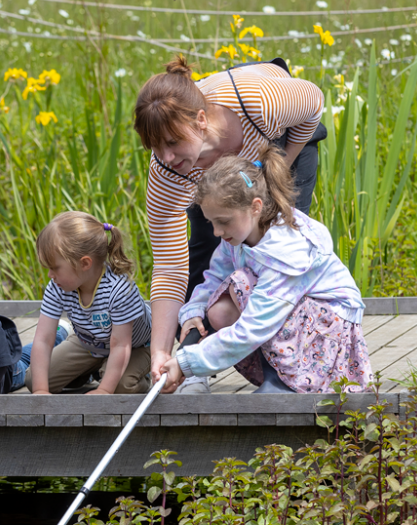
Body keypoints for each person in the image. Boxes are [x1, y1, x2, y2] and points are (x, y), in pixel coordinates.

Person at [135, 55, 326, 393]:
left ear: (201, 120)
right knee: (206, 253)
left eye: (171, 142)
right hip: (208, 171)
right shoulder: (169, 171)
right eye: (154, 147)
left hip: (277, 144)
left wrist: (275, 173)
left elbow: (313, 100)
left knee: (278, 251)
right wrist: (159, 351)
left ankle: (292, 371)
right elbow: (169, 268)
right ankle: (190, 364)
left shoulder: (261, 103)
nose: (164, 156)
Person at [156, 144, 371, 394]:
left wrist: (186, 363)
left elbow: (254, 328)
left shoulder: (284, 252)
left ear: (255, 207)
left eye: (223, 222)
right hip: (296, 318)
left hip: (329, 327)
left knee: (242, 284)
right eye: (211, 222)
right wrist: (193, 312)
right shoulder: (240, 236)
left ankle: (285, 382)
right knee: (220, 308)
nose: (216, 232)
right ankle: (278, 374)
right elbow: (214, 277)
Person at [27, 212, 153, 395]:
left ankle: (138, 376)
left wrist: (104, 390)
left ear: (84, 263)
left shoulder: (119, 289)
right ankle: (91, 371)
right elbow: (43, 339)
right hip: (90, 343)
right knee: (34, 379)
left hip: (136, 346)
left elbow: (120, 345)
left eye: (54, 268)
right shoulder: (57, 285)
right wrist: (40, 391)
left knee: (120, 387)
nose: (50, 275)